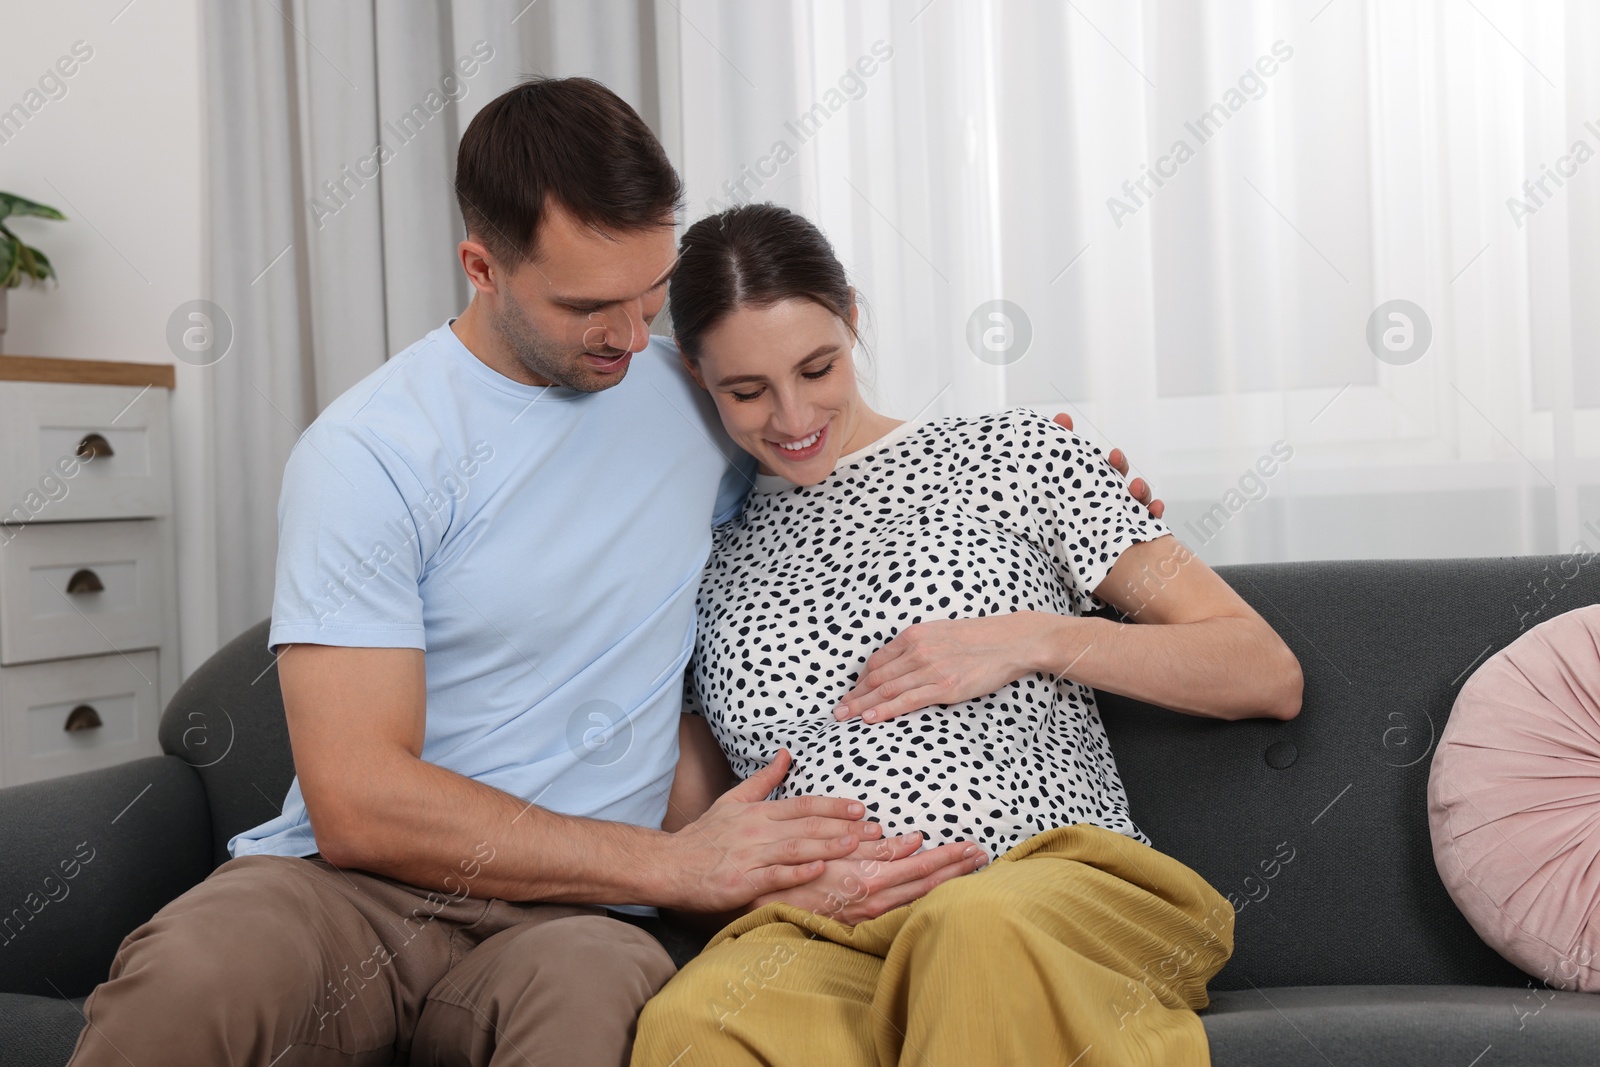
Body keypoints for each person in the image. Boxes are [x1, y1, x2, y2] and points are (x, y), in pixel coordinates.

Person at [64, 79, 1162, 1067]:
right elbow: (356, 801)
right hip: (344, 888)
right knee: (192, 981)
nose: (631, 337)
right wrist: (678, 864)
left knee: (598, 1021)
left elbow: (836, 467)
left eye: (650, 293)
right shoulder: (369, 453)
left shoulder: (690, 392)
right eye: (589, 307)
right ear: (482, 267)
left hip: (580, 918)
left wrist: (1072, 493)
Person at [630, 203, 1304, 1067]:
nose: (792, 414)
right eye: (746, 390)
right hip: (824, 929)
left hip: (1042, 889)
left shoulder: (1017, 453)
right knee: (693, 1022)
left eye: (817, 366)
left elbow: (1261, 668)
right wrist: (775, 880)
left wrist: (1033, 638)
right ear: (695, 374)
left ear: (854, 320)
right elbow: (698, 837)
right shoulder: (700, 561)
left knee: (969, 930)